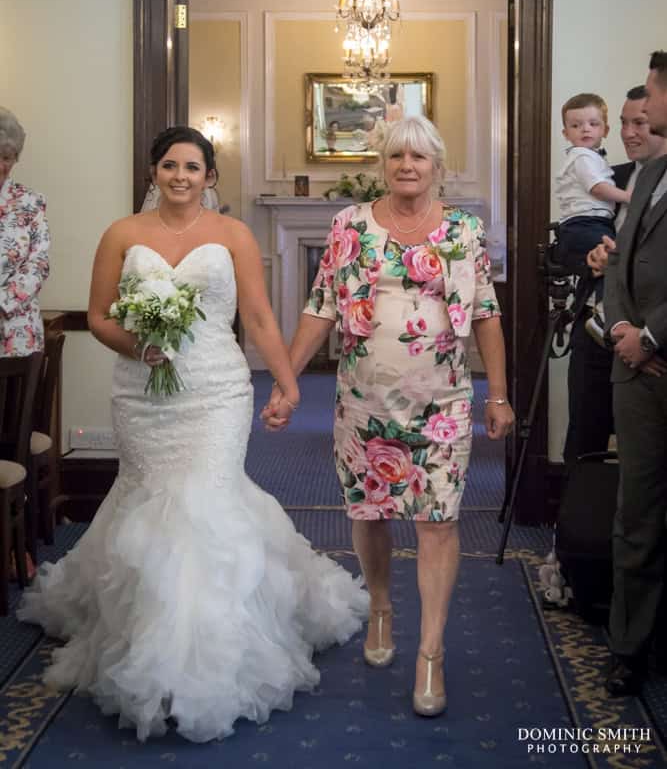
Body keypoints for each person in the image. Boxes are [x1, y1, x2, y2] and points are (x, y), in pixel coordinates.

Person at [18, 126, 367, 742]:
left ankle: (203, 656)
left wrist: (289, 383)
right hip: (142, 394)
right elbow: (98, 316)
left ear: (210, 176)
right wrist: (138, 344)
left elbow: (256, 317)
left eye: (194, 167)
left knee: (204, 502)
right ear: (153, 172)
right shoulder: (122, 235)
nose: (181, 176)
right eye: (170, 165)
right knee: (148, 498)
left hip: (214, 389)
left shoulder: (232, 235)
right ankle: (141, 632)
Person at [263, 115, 514, 717]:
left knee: (438, 522)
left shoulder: (462, 230)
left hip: (443, 403)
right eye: (397, 156)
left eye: (419, 158)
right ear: (383, 164)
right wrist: (287, 383)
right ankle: (380, 606)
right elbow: (321, 308)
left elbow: (485, 314)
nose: (407, 166)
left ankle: (431, 652)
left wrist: (498, 393)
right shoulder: (349, 224)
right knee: (371, 513)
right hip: (364, 401)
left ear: (437, 166)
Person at [603, 51, 667, 696]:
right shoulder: (647, 175)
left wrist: (652, 334)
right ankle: (629, 649)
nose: (643, 108)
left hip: (658, 352)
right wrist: (624, 328)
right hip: (639, 376)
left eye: (651, 92)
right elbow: (620, 264)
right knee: (637, 516)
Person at [563, 86, 667, 466]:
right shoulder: (607, 176)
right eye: (623, 123)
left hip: (650, 347)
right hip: (594, 337)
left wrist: (648, 339)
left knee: (645, 459)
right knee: (583, 437)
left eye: (639, 122)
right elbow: (566, 243)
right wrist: (588, 258)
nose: (627, 133)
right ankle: (576, 524)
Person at [555, 93, 632, 280]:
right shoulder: (582, 156)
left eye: (593, 124)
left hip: (590, 223)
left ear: (605, 130)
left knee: (609, 258)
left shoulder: (593, 157)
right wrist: (629, 196)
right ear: (566, 134)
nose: (585, 129)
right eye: (576, 125)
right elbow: (597, 188)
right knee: (612, 257)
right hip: (584, 224)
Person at [0, 107, 50, 357]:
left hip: (17, 332)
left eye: (7, 158)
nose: (0, 165)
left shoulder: (31, 201)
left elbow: (38, 264)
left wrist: (2, 303)